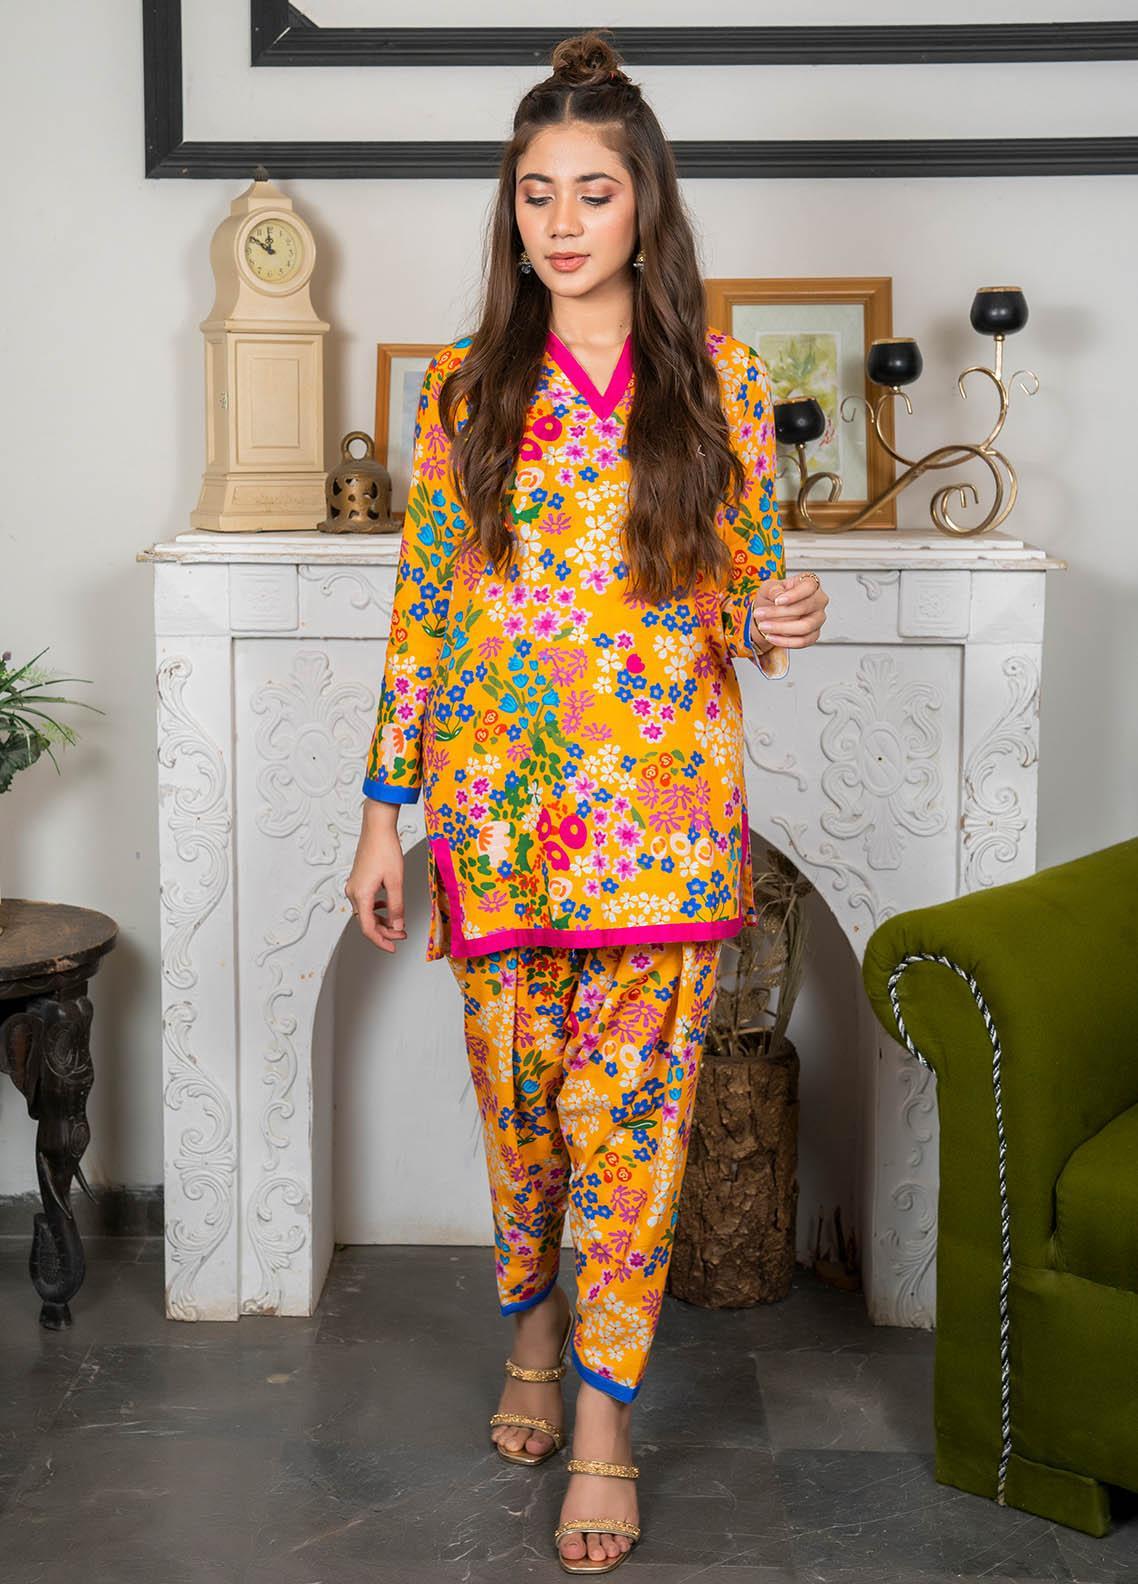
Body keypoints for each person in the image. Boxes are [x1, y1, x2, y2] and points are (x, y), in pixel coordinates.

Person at [345, 28, 829, 1575]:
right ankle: (532, 1333)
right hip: (495, 826)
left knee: (631, 1130)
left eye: (592, 192)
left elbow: (748, 596)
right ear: (512, 210)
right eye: (535, 193)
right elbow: (424, 614)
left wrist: (786, 612)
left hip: (665, 824)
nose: (560, 222)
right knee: (521, 1115)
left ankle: (606, 1431)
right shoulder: (464, 390)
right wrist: (382, 815)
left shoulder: (724, 385)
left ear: (644, 205)